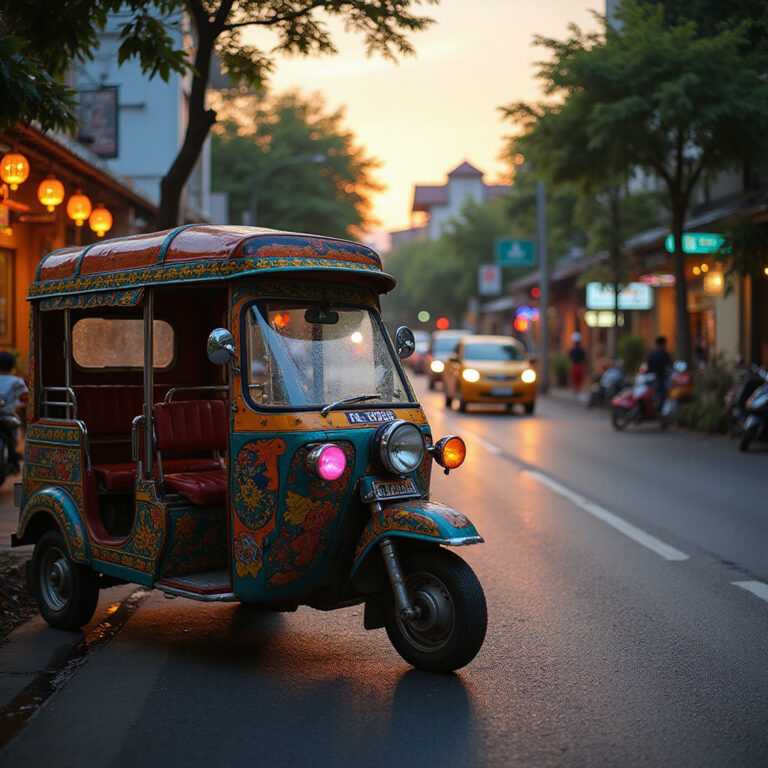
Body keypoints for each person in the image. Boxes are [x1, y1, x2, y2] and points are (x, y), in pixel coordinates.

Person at [0, 350, 28, 472]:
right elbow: (24, 399)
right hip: (8, 417)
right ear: (12, 365)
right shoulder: (17, 381)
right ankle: (13, 459)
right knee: (13, 434)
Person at [646, 335, 672, 407]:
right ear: (663, 344)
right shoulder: (665, 354)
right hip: (661, 378)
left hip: (651, 378)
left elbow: (648, 367)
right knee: (663, 395)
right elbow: (669, 367)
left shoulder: (651, 354)